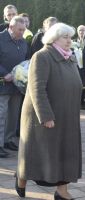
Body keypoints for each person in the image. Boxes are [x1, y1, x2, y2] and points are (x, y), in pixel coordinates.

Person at [16, 23, 82, 200]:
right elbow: (37, 88)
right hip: (45, 115)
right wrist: (45, 116)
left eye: (70, 37)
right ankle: (21, 177)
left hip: (66, 114)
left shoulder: (70, 57)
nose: (69, 40)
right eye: (65, 37)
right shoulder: (42, 56)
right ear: (53, 39)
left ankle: (62, 191)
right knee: (36, 154)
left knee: (65, 152)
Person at [0, 16, 28, 158]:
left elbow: (25, 61)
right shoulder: (1, 39)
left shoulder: (23, 42)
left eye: (24, 29)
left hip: (17, 86)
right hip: (3, 85)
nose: (22, 32)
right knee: (1, 115)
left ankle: (8, 140)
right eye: (20, 30)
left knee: (13, 115)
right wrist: (4, 73)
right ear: (11, 27)